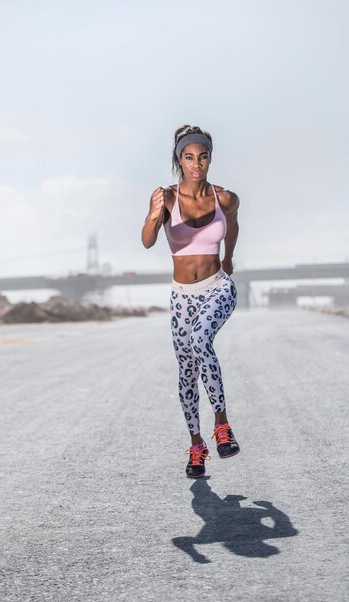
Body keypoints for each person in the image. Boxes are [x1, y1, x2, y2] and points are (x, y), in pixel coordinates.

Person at [141, 124, 240, 478]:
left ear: (210, 159)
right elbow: (147, 241)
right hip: (182, 296)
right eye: (189, 157)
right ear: (179, 160)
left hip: (217, 287)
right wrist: (154, 216)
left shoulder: (225, 197)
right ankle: (197, 446)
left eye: (202, 157)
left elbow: (233, 224)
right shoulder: (165, 198)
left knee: (201, 340)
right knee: (186, 371)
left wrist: (228, 259)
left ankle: (222, 425)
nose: (196, 164)